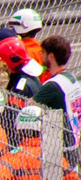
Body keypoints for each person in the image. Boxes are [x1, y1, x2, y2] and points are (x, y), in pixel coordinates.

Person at [32, 35, 81, 166]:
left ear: (51, 56)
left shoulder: (53, 85)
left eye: (43, 52)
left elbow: (29, 106)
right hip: (74, 140)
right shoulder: (71, 78)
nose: (40, 55)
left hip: (61, 148)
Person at [0, 35, 42, 140]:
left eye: (0, 62)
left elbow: (9, 120)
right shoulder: (28, 77)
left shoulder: (21, 87)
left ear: (8, 63)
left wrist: (1, 91)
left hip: (22, 140)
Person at [8, 8, 45, 72]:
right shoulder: (41, 48)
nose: (11, 31)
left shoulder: (23, 52)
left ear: (24, 31)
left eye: (13, 28)